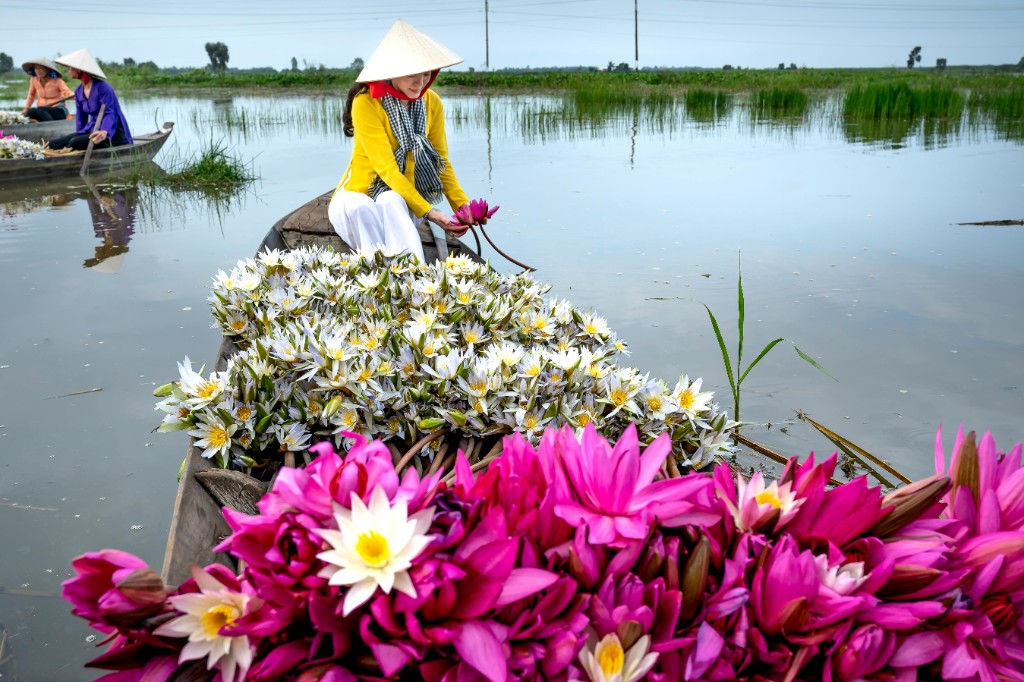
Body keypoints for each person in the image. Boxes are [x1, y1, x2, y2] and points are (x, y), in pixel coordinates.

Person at [329, 19, 487, 261]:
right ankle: (379, 272)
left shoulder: (431, 102)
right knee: (364, 206)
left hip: (404, 202)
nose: (420, 82)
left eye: (425, 73)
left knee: (391, 198)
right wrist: (431, 213)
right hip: (360, 197)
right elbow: (387, 170)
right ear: (391, 72)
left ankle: (412, 275)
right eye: (412, 73)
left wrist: (463, 207)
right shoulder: (366, 102)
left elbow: (440, 162)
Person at [47, 49, 132, 151]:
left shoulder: (103, 88)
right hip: (93, 129)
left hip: (112, 132)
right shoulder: (79, 91)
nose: (68, 70)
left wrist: (104, 131)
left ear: (79, 69)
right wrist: (79, 134)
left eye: (70, 68)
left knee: (74, 143)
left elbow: (110, 113)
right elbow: (81, 117)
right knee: (54, 144)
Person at [21, 57, 74, 122]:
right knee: (30, 111)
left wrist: (73, 95)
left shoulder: (57, 81)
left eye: (40, 68)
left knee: (40, 109)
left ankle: (51, 126)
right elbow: (31, 95)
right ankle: (34, 123)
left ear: (48, 69)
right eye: (36, 68)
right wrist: (26, 108)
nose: (37, 71)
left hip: (57, 110)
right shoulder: (34, 80)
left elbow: (66, 92)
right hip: (42, 111)